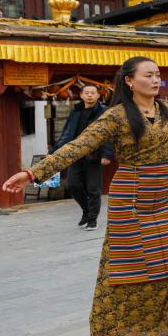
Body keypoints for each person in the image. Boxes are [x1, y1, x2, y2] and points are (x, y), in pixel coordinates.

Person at [2, 57, 168, 336]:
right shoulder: (116, 116)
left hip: (163, 192)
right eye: (148, 75)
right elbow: (78, 146)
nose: (155, 80)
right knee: (130, 262)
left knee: (167, 259)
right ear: (129, 81)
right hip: (130, 194)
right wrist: (33, 174)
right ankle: (131, 328)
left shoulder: (166, 110)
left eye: (157, 75)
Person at [56, 84, 113, 230]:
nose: (90, 95)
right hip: (76, 154)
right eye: (86, 93)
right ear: (81, 95)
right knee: (72, 186)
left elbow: (109, 134)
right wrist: (56, 151)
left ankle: (92, 219)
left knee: (93, 189)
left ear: (98, 95)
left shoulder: (104, 111)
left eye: (93, 93)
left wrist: (107, 153)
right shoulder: (75, 110)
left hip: (94, 155)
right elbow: (67, 132)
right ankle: (86, 211)